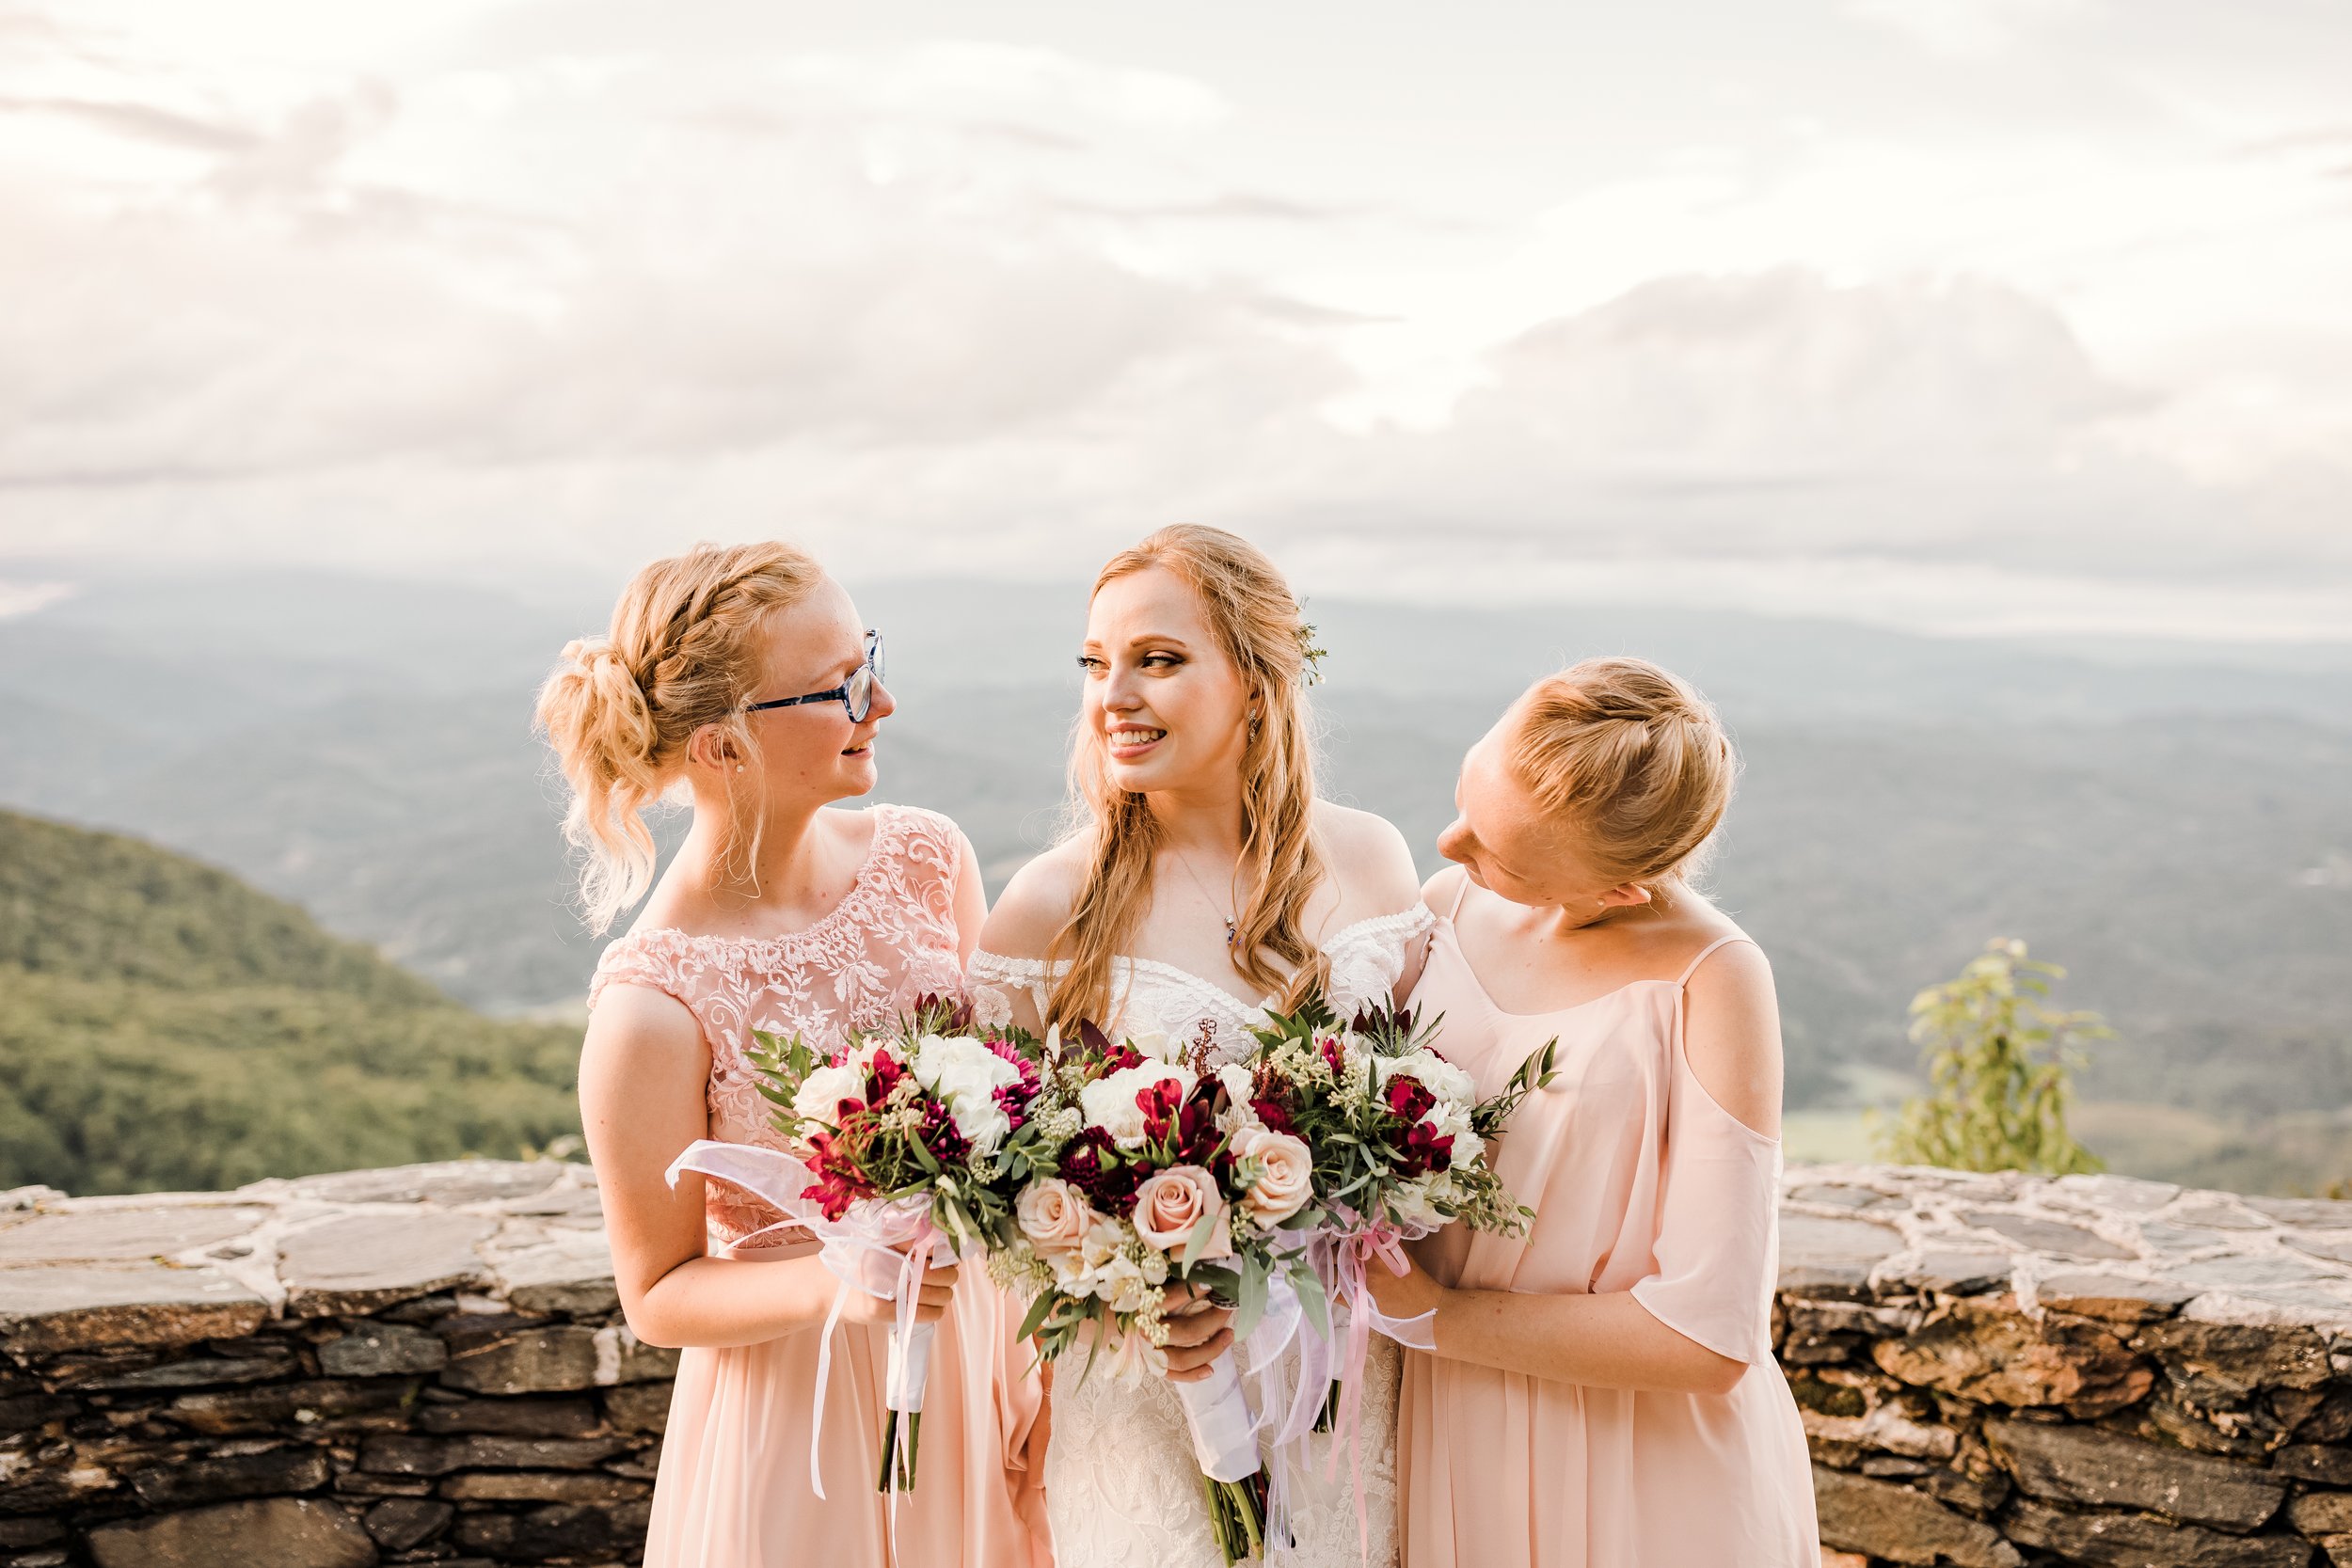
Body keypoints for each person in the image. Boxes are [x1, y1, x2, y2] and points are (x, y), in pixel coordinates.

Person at [540, 541, 1048, 1567]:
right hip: (803, 1423)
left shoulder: (927, 857)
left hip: (974, 1360)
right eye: (840, 686)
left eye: (870, 659)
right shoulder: (651, 1005)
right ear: (723, 747)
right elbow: (659, 1295)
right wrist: (838, 1280)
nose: (883, 701)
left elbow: (1013, 1118)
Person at [969, 524, 1431, 1568]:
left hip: (1347, 1395)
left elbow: (1422, 1118)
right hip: (1148, 1401)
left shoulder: (1369, 859)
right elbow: (995, 1199)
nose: (1112, 696)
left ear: (1258, 683)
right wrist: (1131, 1285)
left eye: (1159, 660)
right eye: (1095, 663)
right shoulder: (1049, 905)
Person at [1375, 655, 1817, 1566]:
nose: (1449, 843)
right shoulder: (1447, 903)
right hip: (1454, 1430)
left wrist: (1437, 1315)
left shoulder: (1715, 981)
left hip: (1640, 1469)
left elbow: (1708, 1333)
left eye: (1498, 851)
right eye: (1467, 795)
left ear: (1622, 889)